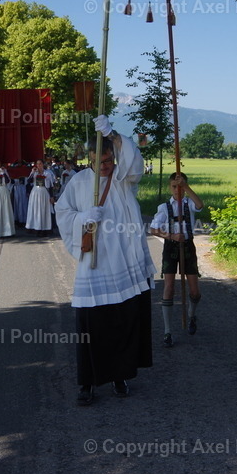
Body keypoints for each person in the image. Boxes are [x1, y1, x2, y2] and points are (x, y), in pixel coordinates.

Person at [55, 115, 154, 406]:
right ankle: (87, 382)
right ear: (90, 158)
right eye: (100, 160)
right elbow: (62, 212)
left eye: (110, 159)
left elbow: (133, 162)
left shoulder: (124, 180)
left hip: (122, 262)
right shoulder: (79, 182)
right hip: (94, 265)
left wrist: (115, 135)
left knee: (122, 319)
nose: (106, 165)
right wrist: (82, 217)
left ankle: (119, 374)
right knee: (90, 323)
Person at [149, 172, 204, 348]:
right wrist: (171, 235)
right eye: (174, 186)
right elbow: (153, 229)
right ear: (169, 187)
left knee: (195, 291)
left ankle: (191, 314)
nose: (177, 190)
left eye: (180, 186)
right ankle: (167, 331)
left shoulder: (189, 203)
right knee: (169, 286)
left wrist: (186, 187)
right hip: (171, 248)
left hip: (188, 247)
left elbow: (200, 204)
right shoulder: (164, 207)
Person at [25, 159, 55, 236]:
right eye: (37, 164)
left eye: (40, 164)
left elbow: (51, 186)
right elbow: (29, 181)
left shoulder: (47, 173)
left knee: (43, 210)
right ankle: (35, 227)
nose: (39, 165)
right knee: (36, 210)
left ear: (43, 164)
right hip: (35, 192)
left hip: (44, 192)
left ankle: (44, 228)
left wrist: (51, 196)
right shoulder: (34, 173)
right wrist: (32, 172)